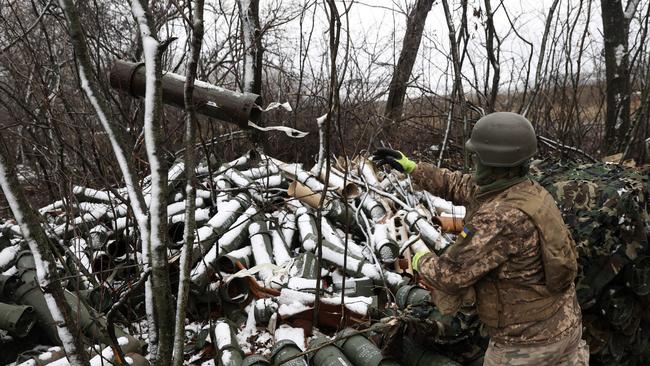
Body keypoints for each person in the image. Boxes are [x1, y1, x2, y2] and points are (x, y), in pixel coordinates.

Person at [372, 112, 589, 366]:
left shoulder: (500, 218)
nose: (474, 162)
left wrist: (420, 259)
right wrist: (413, 169)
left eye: (477, 157)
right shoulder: (527, 191)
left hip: (525, 346)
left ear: (493, 162)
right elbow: (461, 185)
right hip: (565, 326)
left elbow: (450, 275)